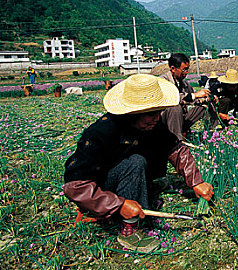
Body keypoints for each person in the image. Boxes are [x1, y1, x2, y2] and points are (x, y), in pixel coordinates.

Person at [63, 74, 214, 252]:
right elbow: (75, 187)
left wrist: (196, 182)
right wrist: (117, 204)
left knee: (152, 150)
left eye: (159, 112)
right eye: (151, 113)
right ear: (131, 112)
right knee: (136, 161)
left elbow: (175, 148)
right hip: (101, 186)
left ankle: (145, 188)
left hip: (124, 175)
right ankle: (129, 228)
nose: (157, 118)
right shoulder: (101, 133)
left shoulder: (150, 123)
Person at [160, 53, 217, 140]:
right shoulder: (163, 81)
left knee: (206, 105)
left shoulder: (184, 83)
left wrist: (206, 98)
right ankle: (177, 142)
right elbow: (173, 98)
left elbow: (194, 98)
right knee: (175, 107)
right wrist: (195, 95)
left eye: (187, 70)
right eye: (184, 70)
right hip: (166, 120)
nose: (186, 73)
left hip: (181, 118)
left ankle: (212, 133)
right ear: (173, 68)